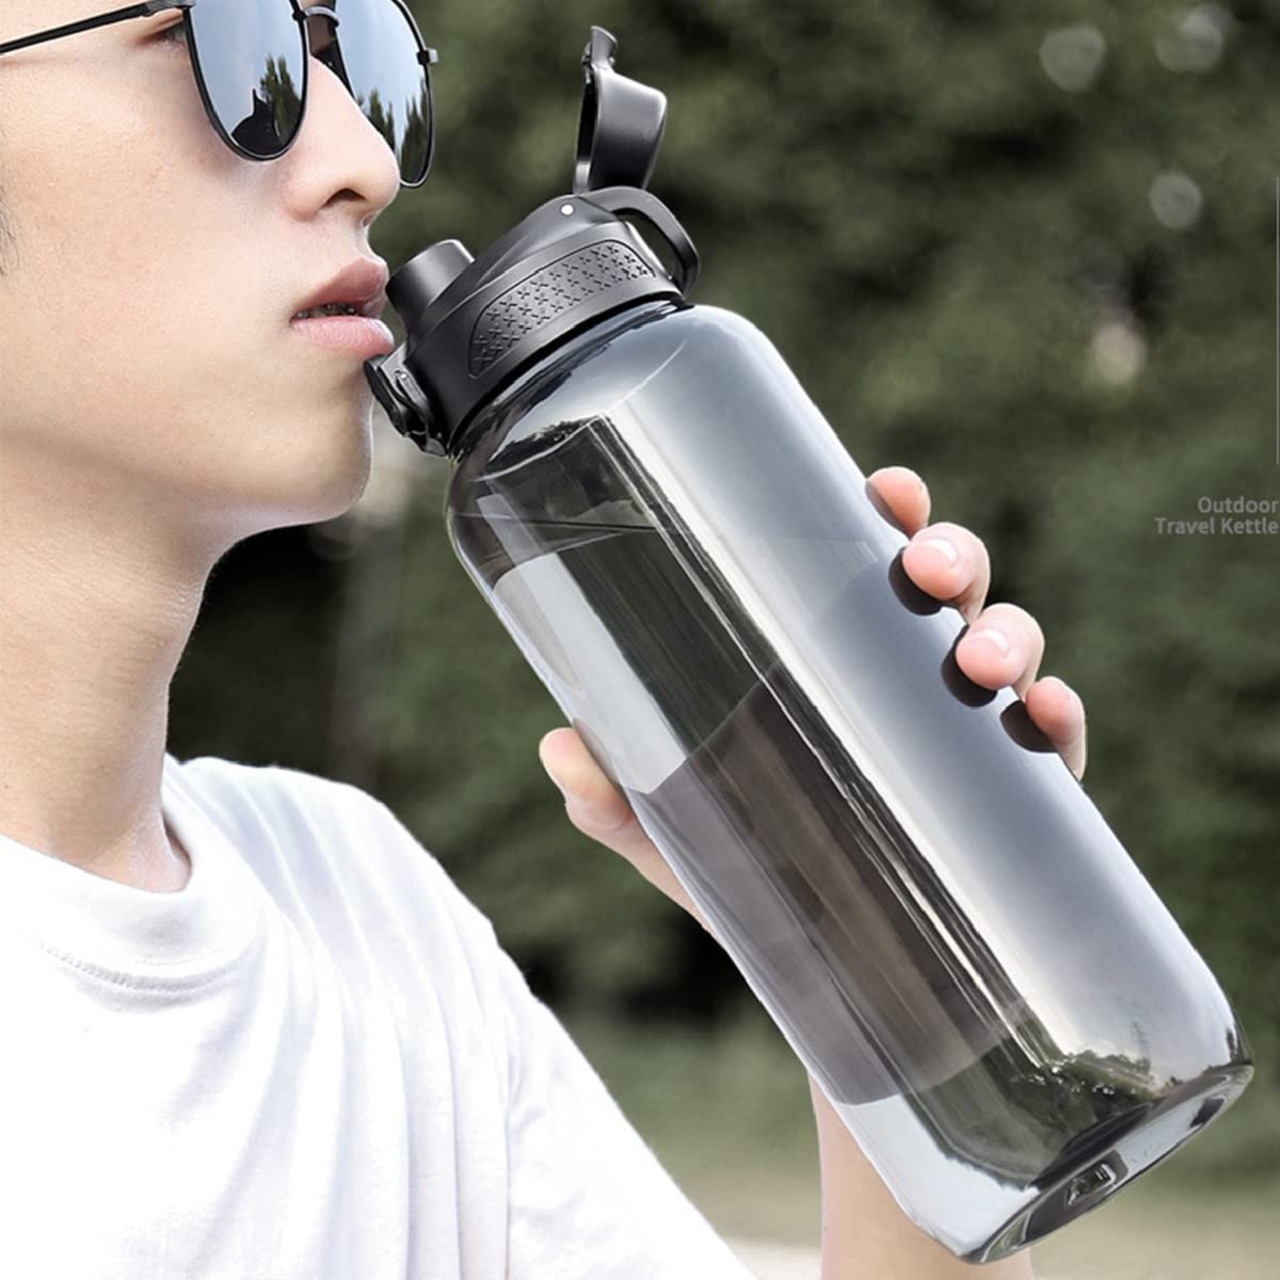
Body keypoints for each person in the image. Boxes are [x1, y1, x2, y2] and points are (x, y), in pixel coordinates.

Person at [0, 3, 1086, 1277]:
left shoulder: (364, 913)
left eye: (362, 60)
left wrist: (859, 931)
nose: (364, 160)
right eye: (226, 46)